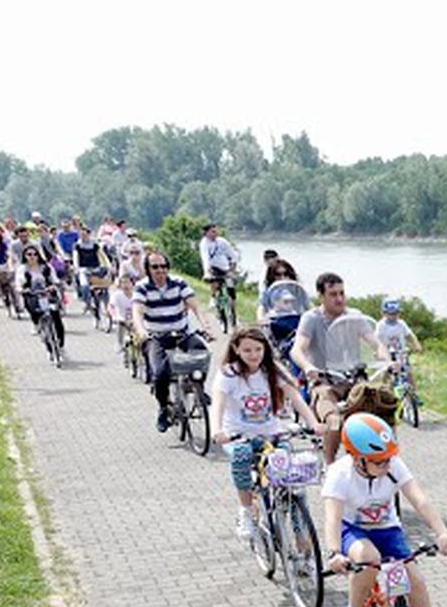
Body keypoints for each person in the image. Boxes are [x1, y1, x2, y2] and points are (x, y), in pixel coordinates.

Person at [321, 413, 447, 607]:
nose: (386, 465)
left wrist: (442, 532)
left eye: (388, 459)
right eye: (378, 462)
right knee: (369, 558)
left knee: (415, 580)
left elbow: (420, 500)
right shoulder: (339, 474)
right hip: (352, 530)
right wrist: (334, 553)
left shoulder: (393, 465)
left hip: (387, 529)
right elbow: (332, 517)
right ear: (357, 458)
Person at [212, 326, 324, 538]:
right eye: (247, 350)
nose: (254, 355)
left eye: (258, 349)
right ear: (236, 349)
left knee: (291, 480)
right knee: (242, 456)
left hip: (271, 434)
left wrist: (314, 423)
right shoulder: (229, 373)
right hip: (238, 435)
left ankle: (301, 537)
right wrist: (217, 430)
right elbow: (218, 403)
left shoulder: (272, 369)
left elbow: (296, 397)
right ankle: (245, 510)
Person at [292, 272, 387, 463]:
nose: (339, 298)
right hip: (325, 382)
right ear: (321, 297)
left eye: (342, 293)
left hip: (355, 380)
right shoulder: (311, 318)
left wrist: (387, 360)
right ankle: (330, 466)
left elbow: (376, 343)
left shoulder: (355, 316)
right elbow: (297, 350)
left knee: (380, 414)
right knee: (334, 421)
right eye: (333, 294)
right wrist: (308, 367)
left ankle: (380, 461)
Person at [131, 249, 213, 433]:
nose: (160, 270)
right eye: (155, 267)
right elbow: (137, 312)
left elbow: (195, 306)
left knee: (202, 352)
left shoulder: (178, 283)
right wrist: (142, 331)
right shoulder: (142, 287)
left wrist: (207, 327)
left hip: (181, 333)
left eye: (164, 266)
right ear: (148, 269)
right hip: (156, 337)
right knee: (160, 374)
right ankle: (163, 407)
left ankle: (196, 386)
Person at [256, 257, 309, 360]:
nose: (283, 278)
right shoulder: (269, 291)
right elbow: (262, 306)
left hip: (297, 323)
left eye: (286, 274)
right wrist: (261, 318)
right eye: (278, 275)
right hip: (278, 325)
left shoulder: (297, 290)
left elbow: (308, 305)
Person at [16, 246, 66, 349]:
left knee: (56, 316)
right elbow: (19, 283)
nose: (32, 257)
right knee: (35, 311)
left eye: (35, 254)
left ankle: (59, 341)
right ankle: (38, 326)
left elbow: (54, 279)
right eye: (29, 254)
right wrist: (22, 289)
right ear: (25, 256)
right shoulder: (22, 269)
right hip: (32, 295)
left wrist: (54, 285)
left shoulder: (46, 267)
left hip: (47, 294)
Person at [200, 223, 240, 301]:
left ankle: (233, 312)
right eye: (213, 231)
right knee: (215, 281)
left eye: (216, 231)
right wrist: (207, 272)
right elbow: (205, 258)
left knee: (232, 292)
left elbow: (232, 253)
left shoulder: (222, 241)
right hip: (213, 267)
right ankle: (213, 297)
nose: (215, 233)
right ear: (206, 233)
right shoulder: (204, 243)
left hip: (225, 267)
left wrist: (233, 268)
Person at [374, 298, 421, 362]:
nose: (393, 316)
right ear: (384, 313)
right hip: (386, 354)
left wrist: (416, 344)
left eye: (396, 313)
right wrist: (376, 350)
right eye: (390, 314)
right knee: (386, 370)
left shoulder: (401, 324)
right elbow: (376, 339)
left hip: (401, 354)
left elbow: (409, 335)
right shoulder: (381, 325)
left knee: (406, 370)